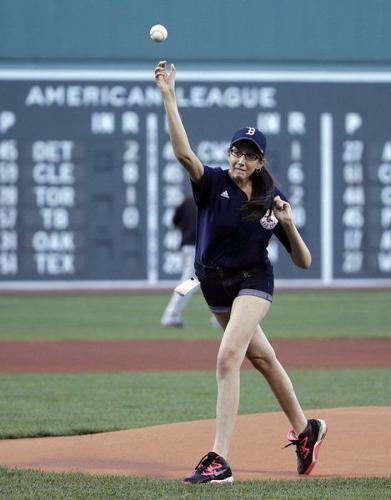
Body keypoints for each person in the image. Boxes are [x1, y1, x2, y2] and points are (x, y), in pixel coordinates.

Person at [155, 60, 327, 484]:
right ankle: (308, 430)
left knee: (229, 356)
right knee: (263, 359)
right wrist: (168, 98)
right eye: (236, 150)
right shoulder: (212, 182)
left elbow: (303, 261)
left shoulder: (272, 198)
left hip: (252, 283)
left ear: (259, 161)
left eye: (248, 154)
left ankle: (220, 461)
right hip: (214, 284)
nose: (240, 158)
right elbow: (182, 153)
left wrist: (289, 224)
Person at [161, 196, 197, 327]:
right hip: (197, 248)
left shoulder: (188, 201)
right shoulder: (210, 200)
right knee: (189, 282)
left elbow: (174, 221)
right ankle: (170, 315)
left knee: (213, 282)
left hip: (188, 246)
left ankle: (220, 319)